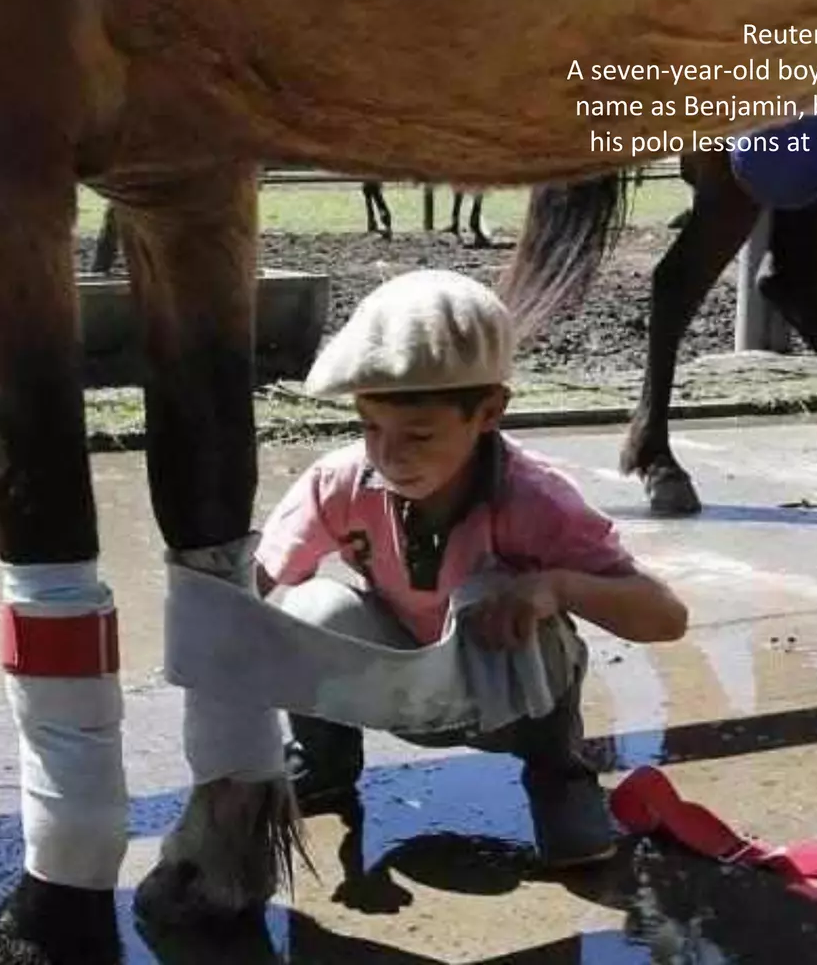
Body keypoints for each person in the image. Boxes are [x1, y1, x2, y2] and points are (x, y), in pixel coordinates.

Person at [254, 268, 690, 868]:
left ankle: (560, 775)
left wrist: (555, 586)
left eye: (420, 434)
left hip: (503, 698)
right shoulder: (340, 483)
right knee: (307, 609)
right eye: (371, 427)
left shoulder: (536, 500)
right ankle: (324, 761)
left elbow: (666, 617)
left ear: (489, 412)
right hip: (397, 685)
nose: (389, 455)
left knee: (513, 600)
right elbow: (254, 584)